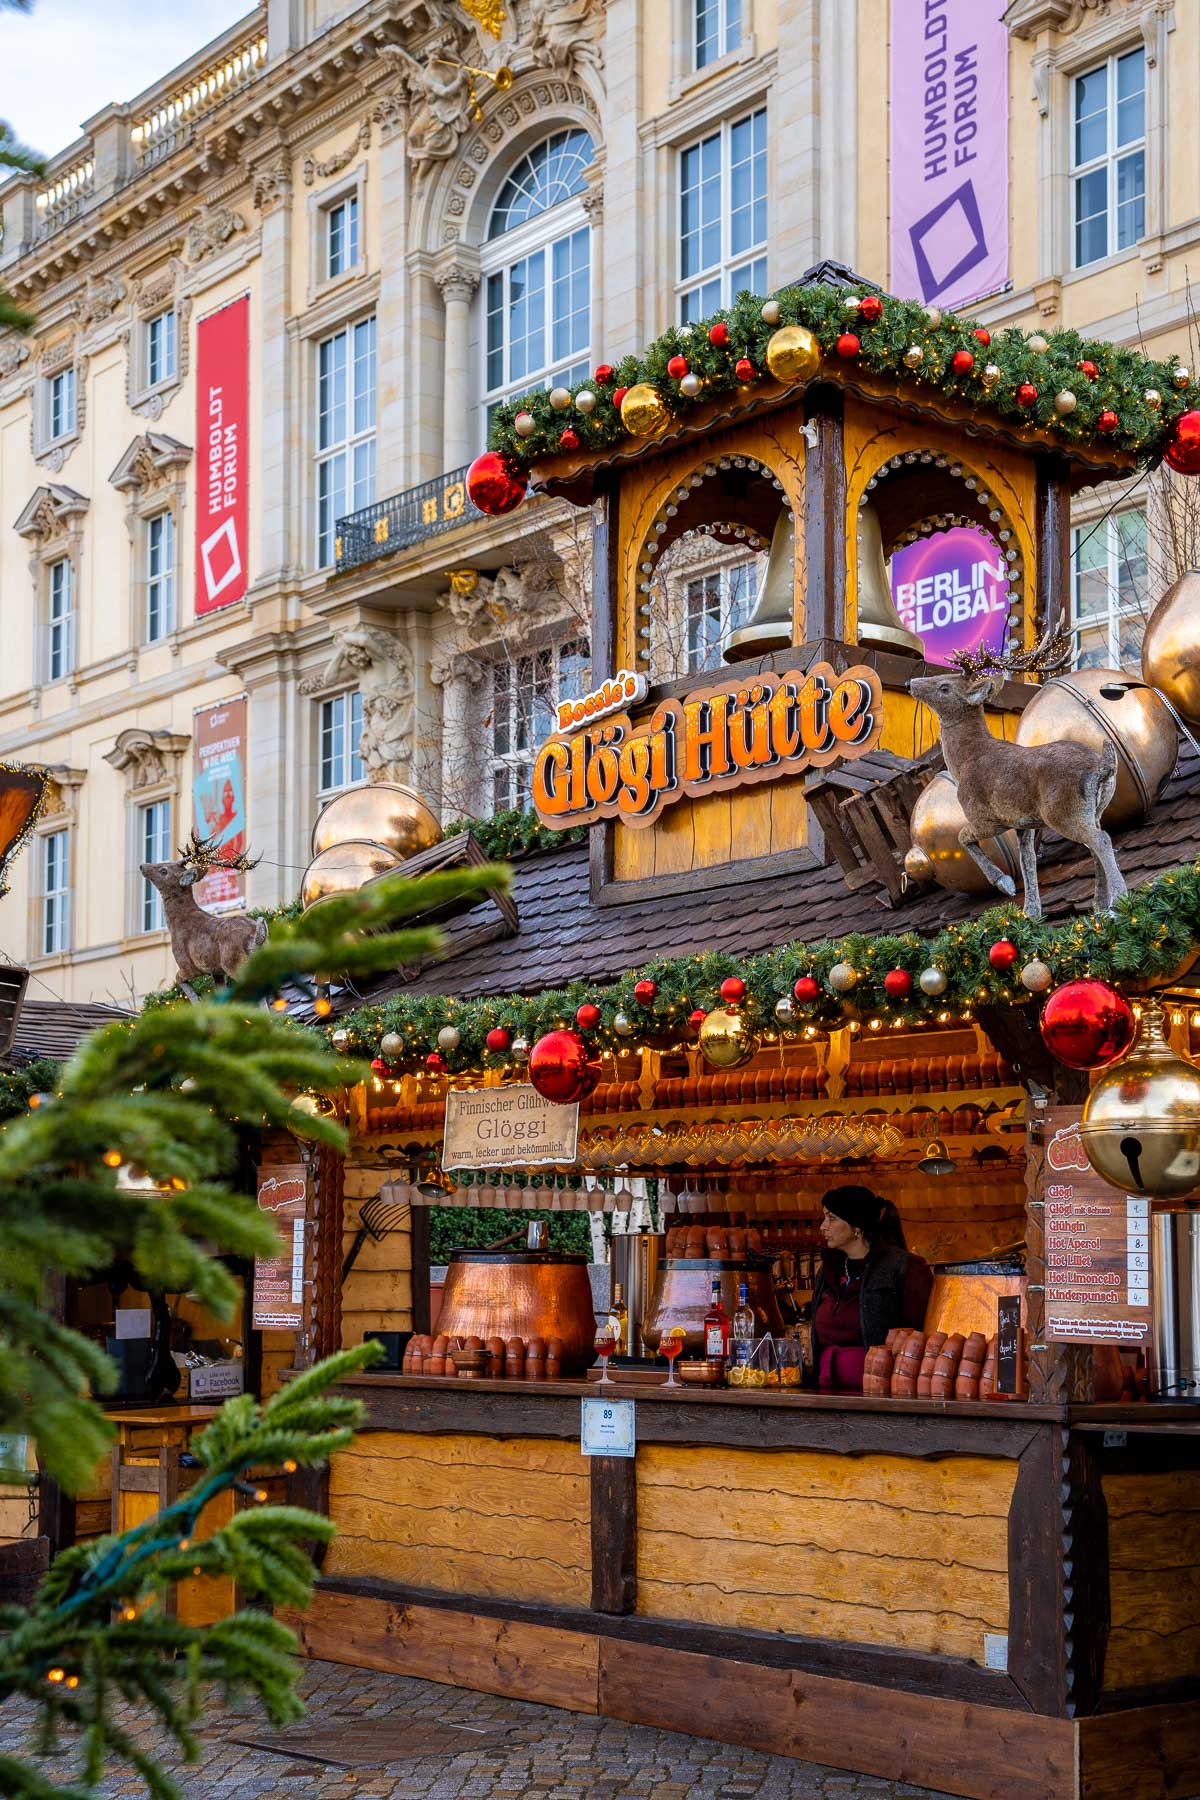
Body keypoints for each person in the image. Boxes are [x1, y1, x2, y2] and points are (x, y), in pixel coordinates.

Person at [810, 1186, 932, 1393]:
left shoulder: (904, 1267)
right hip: (827, 1387)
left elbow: (921, 1333)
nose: (823, 1226)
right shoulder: (829, 1269)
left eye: (831, 1218)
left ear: (856, 1226)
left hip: (880, 1392)